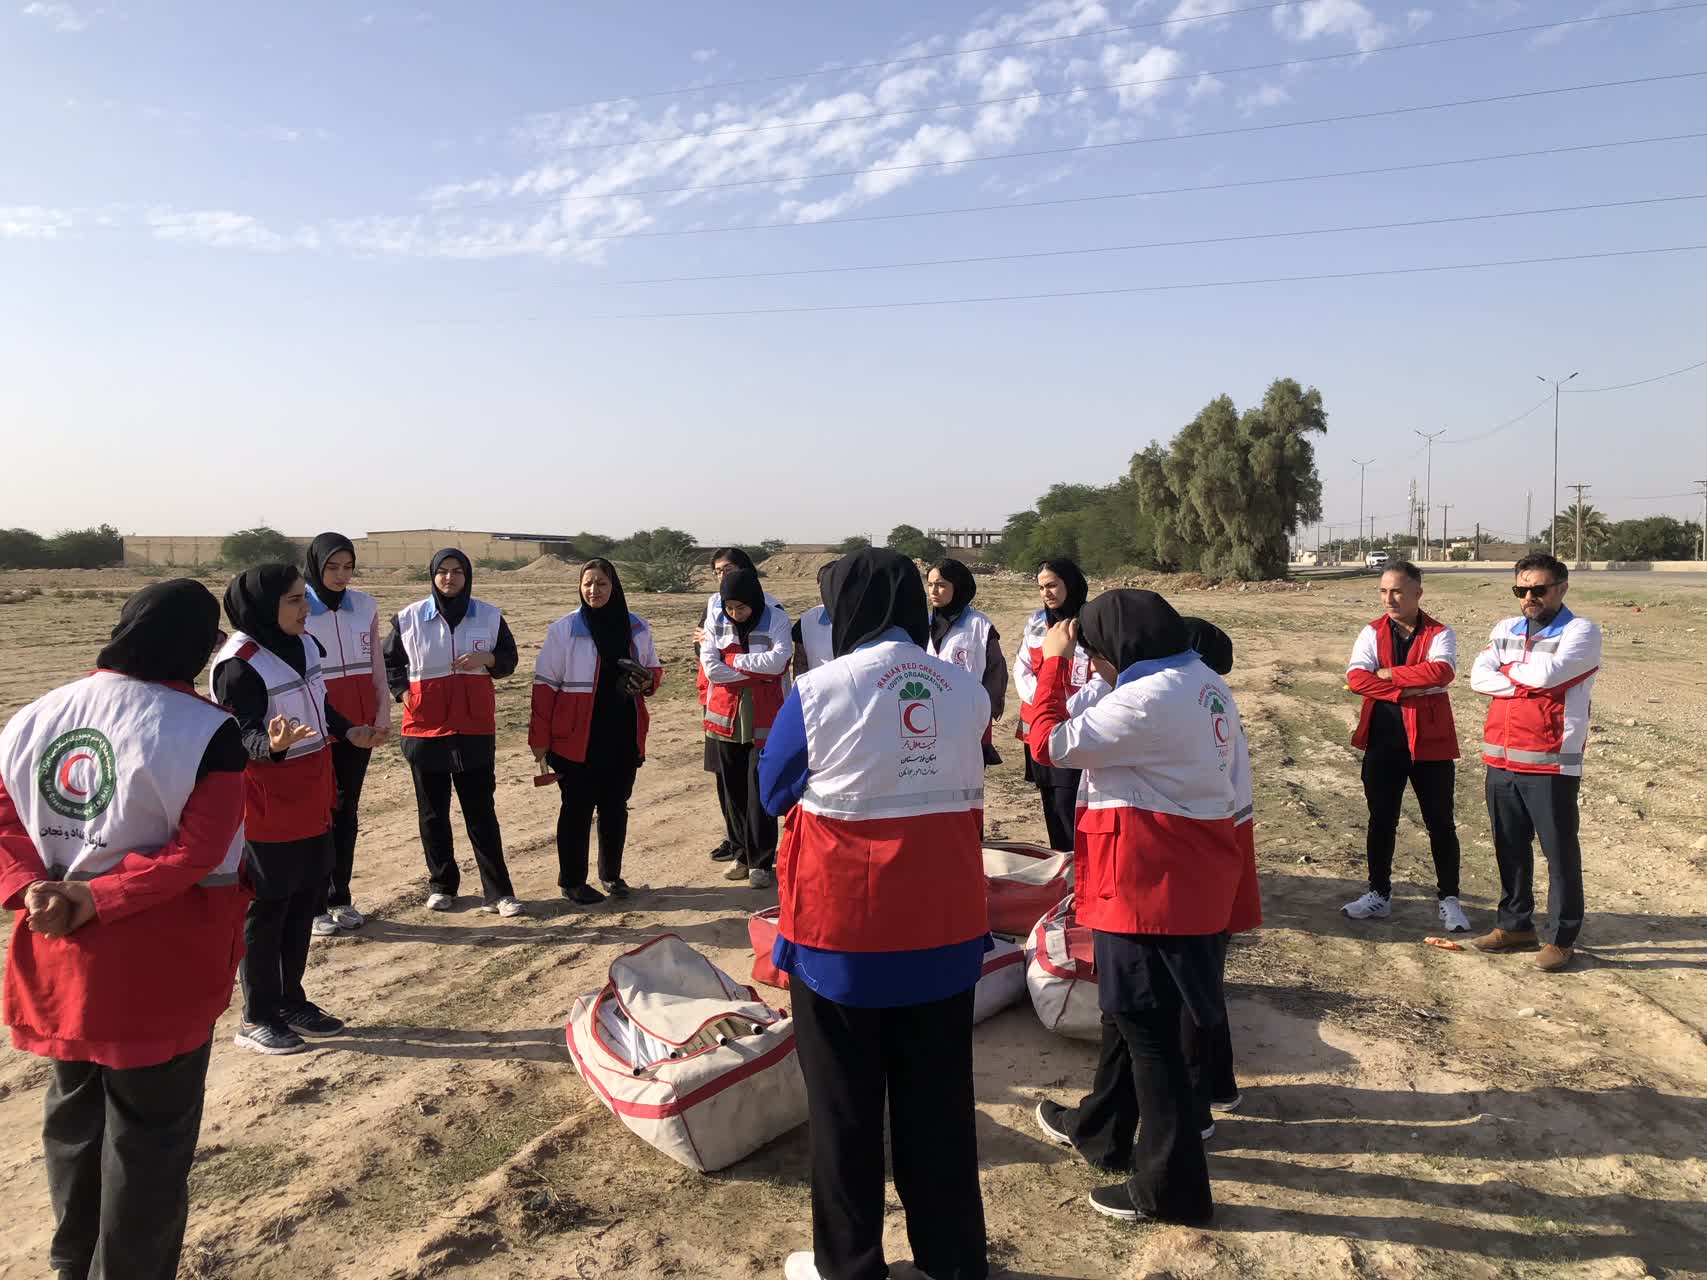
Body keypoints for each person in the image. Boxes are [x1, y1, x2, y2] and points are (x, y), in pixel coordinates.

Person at [0, 580, 249, 1280]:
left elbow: (4, 819)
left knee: (74, 1126)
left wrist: (32, 888)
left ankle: (71, 1265)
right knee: (149, 1145)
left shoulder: (33, 716)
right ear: (195, 646)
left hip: (59, 961)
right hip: (157, 972)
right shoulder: (208, 730)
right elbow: (197, 852)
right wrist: (98, 898)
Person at [757, 549, 991, 1280]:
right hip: (946, 928)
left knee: (845, 1110)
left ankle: (851, 1264)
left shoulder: (819, 690)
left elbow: (773, 791)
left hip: (845, 939)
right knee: (939, 1107)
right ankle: (954, 1260)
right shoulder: (965, 689)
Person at [1028, 590, 1251, 1227]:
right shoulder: (1200, 680)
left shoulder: (1148, 699)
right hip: (1184, 873)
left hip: (1149, 884)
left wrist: (1052, 664)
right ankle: (1102, 1129)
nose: (1095, 665)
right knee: (1132, 1018)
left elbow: (1050, 744)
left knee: (1147, 1030)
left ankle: (1171, 1188)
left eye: (1097, 654)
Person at [213, 565, 386, 1055]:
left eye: (302, 598)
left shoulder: (306, 643)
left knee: (303, 903)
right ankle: (257, 1016)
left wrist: (349, 730)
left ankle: (291, 1000)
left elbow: (321, 704)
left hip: (313, 793)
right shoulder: (238, 664)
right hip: (267, 803)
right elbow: (239, 735)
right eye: (294, 600)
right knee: (267, 910)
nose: (305, 608)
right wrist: (271, 746)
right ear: (263, 607)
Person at [1469, 553, 1602, 972]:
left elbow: (1551, 676)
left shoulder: (1582, 631)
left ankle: (1561, 939)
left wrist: (1508, 671)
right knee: (1509, 847)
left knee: (1559, 854)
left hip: (1551, 763)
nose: (1529, 597)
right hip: (1501, 758)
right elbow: (1478, 676)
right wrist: (1524, 677)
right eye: (1521, 589)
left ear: (1561, 589)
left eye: (1539, 589)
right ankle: (1515, 925)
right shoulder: (1505, 628)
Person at [383, 549, 525, 917]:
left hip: (474, 727)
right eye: (443, 572)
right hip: (424, 728)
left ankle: (498, 892)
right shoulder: (409, 618)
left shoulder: (489, 616)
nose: (449, 578)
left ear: (467, 575)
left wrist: (487, 659)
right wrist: (403, 694)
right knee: (433, 814)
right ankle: (442, 885)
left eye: (457, 571)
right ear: (432, 576)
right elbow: (389, 662)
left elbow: (509, 660)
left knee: (481, 813)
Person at [1341, 562, 1468, 932]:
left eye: (1396, 591)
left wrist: (1389, 674)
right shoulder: (1371, 632)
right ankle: (1378, 894)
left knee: (1440, 823)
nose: (1389, 599)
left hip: (1431, 743)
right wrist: (1405, 691)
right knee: (1381, 820)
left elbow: (1442, 672)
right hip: (1383, 740)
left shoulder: (1440, 633)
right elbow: (1356, 678)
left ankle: (1449, 899)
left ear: (1417, 593)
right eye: (1383, 591)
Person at [529, 559, 663, 905]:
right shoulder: (564, 630)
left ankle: (611, 876)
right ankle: (572, 881)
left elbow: (653, 670)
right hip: (576, 738)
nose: (594, 590)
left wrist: (646, 681)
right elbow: (544, 686)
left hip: (623, 733)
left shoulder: (637, 627)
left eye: (601, 583)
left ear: (614, 587)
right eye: (587, 583)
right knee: (576, 810)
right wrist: (539, 740)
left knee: (615, 808)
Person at [301, 532, 390, 937]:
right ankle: (313, 904)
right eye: (332, 567)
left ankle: (340, 897)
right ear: (316, 566)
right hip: (316, 725)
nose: (341, 575)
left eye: (348, 567)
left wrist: (381, 713)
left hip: (359, 725)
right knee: (317, 812)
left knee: (346, 811)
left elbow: (376, 666)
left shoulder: (365, 605)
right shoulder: (299, 605)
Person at [702, 567, 793, 889]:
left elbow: (779, 662)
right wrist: (757, 673)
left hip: (764, 718)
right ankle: (740, 855)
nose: (735, 614)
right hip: (725, 718)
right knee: (733, 793)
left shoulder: (776, 617)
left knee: (759, 791)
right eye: (729, 607)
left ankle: (761, 862)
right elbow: (711, 670)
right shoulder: (715, 618)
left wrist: (733, 661)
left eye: (741, 607)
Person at [696, 548, 776, 863]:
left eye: (728, 570)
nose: (722, 577)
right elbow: (705, 655)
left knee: (755, 780)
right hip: (718, 702)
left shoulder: (772, 609)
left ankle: (758, 852)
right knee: (726, 778)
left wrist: (728, 660)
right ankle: (736, 841)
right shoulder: (713, 606)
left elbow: (775, 664)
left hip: (758, 706)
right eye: (717, 572)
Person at [1012, 558, 1094, 851]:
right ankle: (1061, 861)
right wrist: (1043, 699)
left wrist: (1064, 706)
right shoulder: (1036, 622)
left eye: (1052, 585)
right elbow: (1021, 668)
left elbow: (1098, 676)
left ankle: (1077, 864)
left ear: (1070, 584)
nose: (1046, 593)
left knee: (1070, 800)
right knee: (1050, 798)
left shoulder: (1091, 623)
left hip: (1075, 723)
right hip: (1039, 721)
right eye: (1041, 587)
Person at [926, 557, 1007, 765]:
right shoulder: (924, 624)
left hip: (969, 718)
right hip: (928, 719)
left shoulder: (979, 624)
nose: (934, 591)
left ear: (958, 587)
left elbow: (996, 671)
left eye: (941, 585)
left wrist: (985, 712)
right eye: (930, 584)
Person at [790, 559, 838, 678]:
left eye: (834, 584)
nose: (827, 590)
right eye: (823, 585)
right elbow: (800, 664)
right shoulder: (807, 621)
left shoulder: (872, 620)